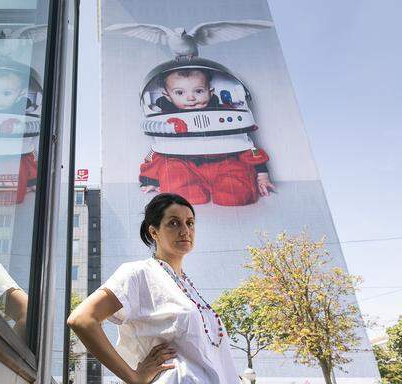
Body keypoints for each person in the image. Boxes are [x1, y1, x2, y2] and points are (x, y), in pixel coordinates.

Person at [67, 193, 240, 383]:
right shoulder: (139, 273)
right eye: (173, 223)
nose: (185, 230)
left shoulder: (187, 287)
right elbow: (82, 319)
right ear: (154, 232)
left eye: (189, 223)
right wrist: (133, 378)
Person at [139, 69, 275, 206]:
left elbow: (250, 148)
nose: (190, 98)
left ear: (210, 92)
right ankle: (187, 191)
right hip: (186, 166)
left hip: (224, 164)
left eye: (198, 91)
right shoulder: (163, 121)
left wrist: (262, 175)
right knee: (171, 168)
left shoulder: (226, 113)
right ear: (167, 96)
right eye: (180, 92)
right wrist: (151, 180)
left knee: (238, 182)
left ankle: (231, 190)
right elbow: (154, 154)